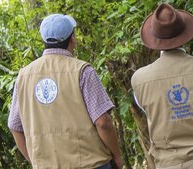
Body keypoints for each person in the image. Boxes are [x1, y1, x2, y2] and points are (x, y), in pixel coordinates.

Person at [7, 14, 123, 169]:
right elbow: (103, 122)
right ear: (72, 39)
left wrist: (35, 161)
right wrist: (117, 156)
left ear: (44, 41)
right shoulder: (82, 70)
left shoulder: (24, 75)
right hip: (90, 164)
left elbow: (14, 126)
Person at [131, 3, 193, 169]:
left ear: (155, 39)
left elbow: (147, 109)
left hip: (169, 163)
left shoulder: (139, 79)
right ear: (185, 33)